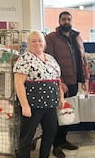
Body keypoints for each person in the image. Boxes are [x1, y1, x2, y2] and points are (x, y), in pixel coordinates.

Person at [13, 30, 65, 158]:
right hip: (33, 105)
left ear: (44, 42)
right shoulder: (24, 59)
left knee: (50, 132)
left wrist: (61, 97)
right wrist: (25, 105)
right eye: (33, 41)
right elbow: (19, 83)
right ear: (28, 43)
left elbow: (58, 81)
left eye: (40, 40)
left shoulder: (50, 58)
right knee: (27, 136)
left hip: (50, 105)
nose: (37, 43)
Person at [45, 11, 88, 158]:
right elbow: (49, 62)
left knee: (68, 113)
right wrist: (60, 82)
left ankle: (63, 140)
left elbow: (83, 60)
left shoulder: (77, 37)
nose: (66, 21)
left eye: (69, 19)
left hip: (74, 82)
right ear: (59, 21)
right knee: (59, 115)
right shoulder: (51, 38)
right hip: (60, 84)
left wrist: (85, 79)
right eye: (63, 19)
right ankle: (56, 145)